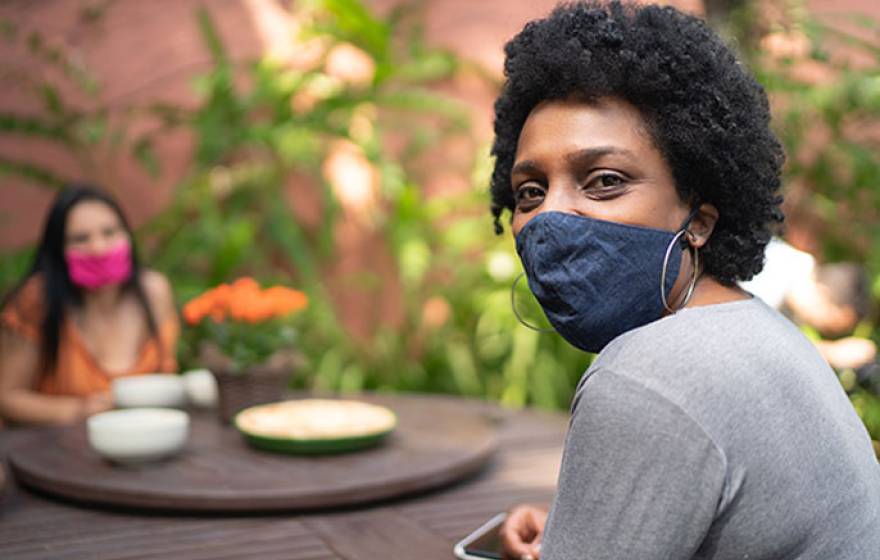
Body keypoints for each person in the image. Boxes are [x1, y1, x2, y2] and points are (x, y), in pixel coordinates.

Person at [489, 2, 880, 559]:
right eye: (530, 190)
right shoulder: (759, 329)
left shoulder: (648, 371)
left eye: (603, 181)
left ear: (698, 218)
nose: (552, 216)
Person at [0, 185, 178, 425]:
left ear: (127, 236)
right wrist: (77, 411)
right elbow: (7, 397)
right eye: (80, 239)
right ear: (58, 251)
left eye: (109, 232)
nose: (98, 248)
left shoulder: (154, 292)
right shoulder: (36, 300)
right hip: (56, 450)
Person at [742, 237, 876, 370]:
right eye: (829, 327)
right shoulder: (777, 269)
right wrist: (831, 354)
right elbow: (754, 346)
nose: (818, 328)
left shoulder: (786, 295)